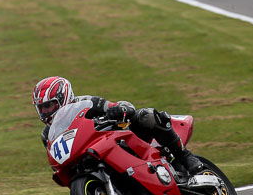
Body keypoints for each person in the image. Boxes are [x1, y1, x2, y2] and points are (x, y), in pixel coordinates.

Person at [33, 75, 203, 176]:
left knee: (146, 116)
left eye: (49, 105)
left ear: (64, 97)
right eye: (41, 108)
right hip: (92, 156)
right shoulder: (47, 134)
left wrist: (117, 110)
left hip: (122, 140)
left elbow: (125, 107)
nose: (46, 112)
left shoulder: (86, 102)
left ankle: (185, 157)